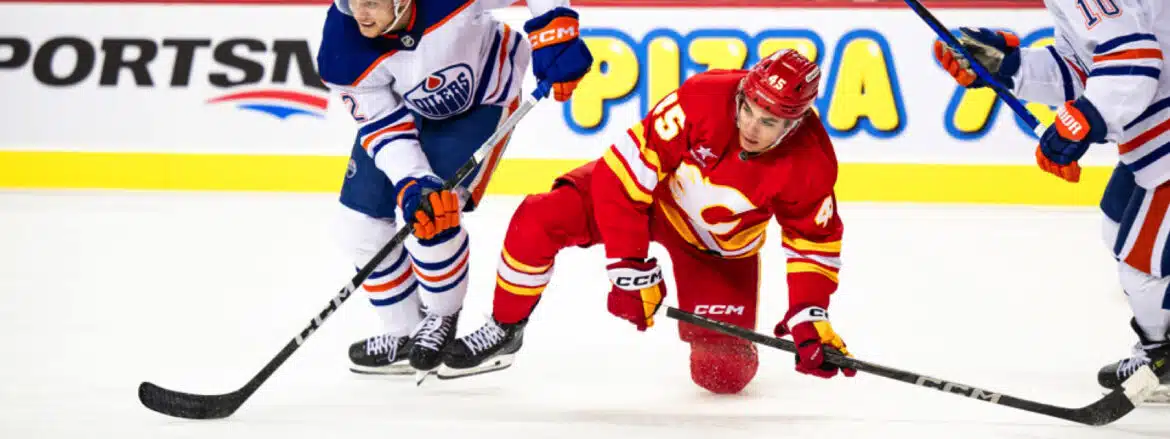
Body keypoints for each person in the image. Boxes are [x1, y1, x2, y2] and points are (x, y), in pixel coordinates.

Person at [437, 49, 856, 394]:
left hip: (714, 247)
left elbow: (813, 241)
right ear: (744, 92)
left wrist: (809, 315)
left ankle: (728, 344)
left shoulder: (811, 162)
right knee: (540, 217)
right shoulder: (704, 97)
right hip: (650, 202)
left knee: (723, 376)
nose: (750, 126)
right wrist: (629, 266)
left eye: (769, 122)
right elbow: (621, 177)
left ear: (794, 123)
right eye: (748, 109)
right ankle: (505, 326)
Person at [314, 0, 592, 376]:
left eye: (372, 3)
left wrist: (554, 26)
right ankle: (405, 331)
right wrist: (412, 180)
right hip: (403, 106)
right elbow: (381, 121)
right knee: (356, 226)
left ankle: (442, 316)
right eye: (353, 1)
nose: (359, 13)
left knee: (435, 216)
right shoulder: (341, 42)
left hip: (481, 99)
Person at [932, 1, 1169, 399]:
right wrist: (1011, 67)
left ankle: (1161, 357)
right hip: (1152, 140)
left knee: (1141, 263)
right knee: (1117, 225)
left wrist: (1082, 121)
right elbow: (1087, 67)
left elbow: (1134, 58)